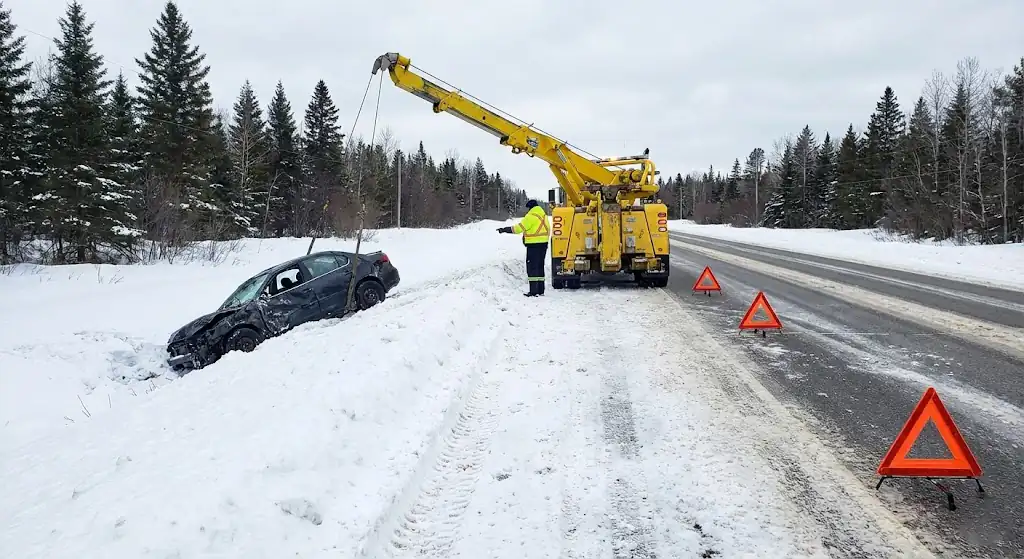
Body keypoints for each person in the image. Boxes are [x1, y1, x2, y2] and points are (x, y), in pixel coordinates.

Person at [497, 199, 550, 296]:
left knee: (532, 268)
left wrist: (504, 229)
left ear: (530, 207)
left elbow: (518, 229)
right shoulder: (543, 215)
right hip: (543, 245)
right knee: (539, 267)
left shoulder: (531, 216)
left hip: (533, 245)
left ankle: (533, 291)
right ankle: (540, 290)